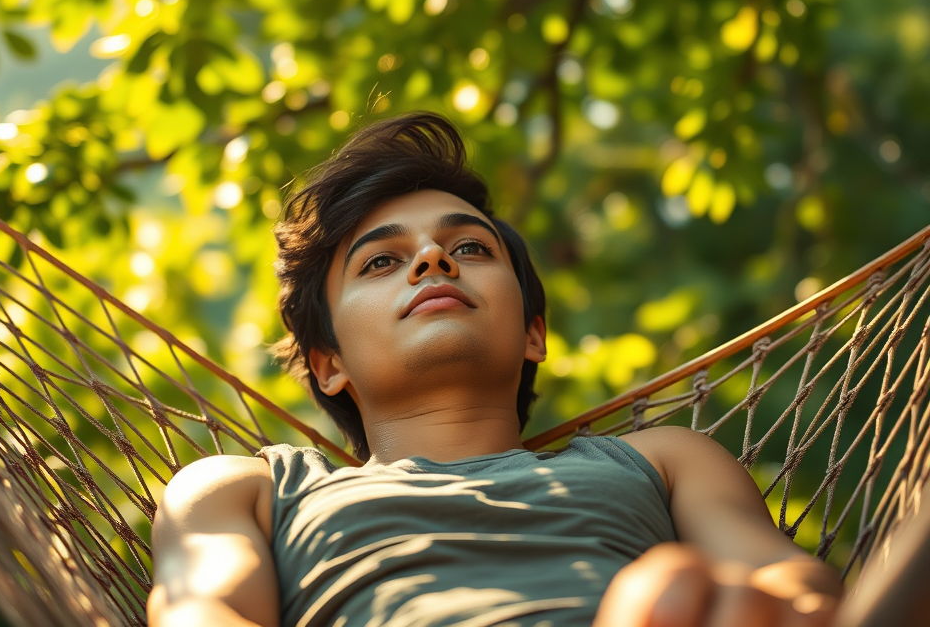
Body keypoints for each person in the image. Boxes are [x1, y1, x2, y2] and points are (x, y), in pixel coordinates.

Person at [146, 112, 843, 627]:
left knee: (680, 593)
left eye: (470, 249)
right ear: (328, 363)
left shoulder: (663, 461)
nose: (433, 260)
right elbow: (199, 614)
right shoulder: (251, 491)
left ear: (534, 333)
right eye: (382, 262)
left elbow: (794, 590)